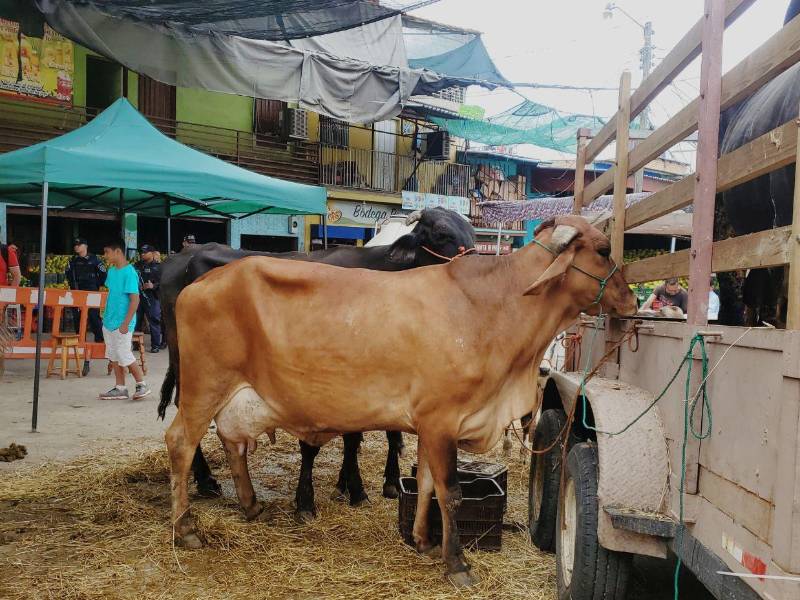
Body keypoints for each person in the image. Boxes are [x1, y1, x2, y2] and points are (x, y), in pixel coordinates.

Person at [99, 239, 151, 400]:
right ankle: (120, 387)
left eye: (107, 252)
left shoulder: (129, 272)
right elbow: (111, 295)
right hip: (109, 321)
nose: (105, 255)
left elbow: (135, 300)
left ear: (118, 252)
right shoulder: (112, 271)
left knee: (124, 353)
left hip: (123, 323)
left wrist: (126, 323)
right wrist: (105, 317)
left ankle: (142, 384)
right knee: (113, 355)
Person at [66, 238, 106, 341]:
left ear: (85, 246)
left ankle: (99, 339)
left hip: (91, 291)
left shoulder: (95, 259)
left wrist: (96, 285)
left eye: (79, 245)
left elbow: (103, 275)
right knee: (77, 317)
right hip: (77, 291)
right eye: (75, 245)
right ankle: (80, 339)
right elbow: (69, 275)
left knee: (94, 316)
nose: (76, 247)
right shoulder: (73, 261)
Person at [135, 244, 163, 353]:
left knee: (154, 321)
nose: (142, 254)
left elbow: (163, 282)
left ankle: (155, 345)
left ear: (152, 253)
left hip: (152, 297)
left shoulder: (159, 267)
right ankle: (136, 344)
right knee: (137, 321)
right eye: (141, 252)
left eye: (145, 252)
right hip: (138, 297)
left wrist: (153, 286)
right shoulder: (137, 265)